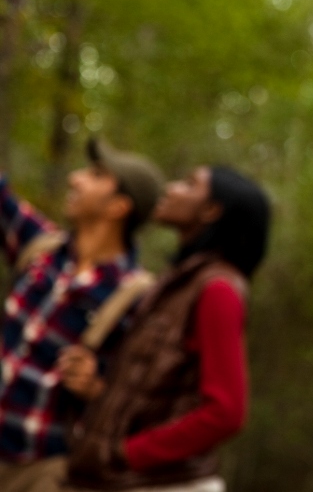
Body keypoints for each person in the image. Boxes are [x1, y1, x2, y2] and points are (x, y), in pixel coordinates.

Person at [57, 165, 270, 492]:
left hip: (166, 483)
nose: (171, 188)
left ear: (211, 211)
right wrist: (100, 392)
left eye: (189, 185)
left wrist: (128, 453)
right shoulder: (178, 282)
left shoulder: (219, 289)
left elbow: (227, 412)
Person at [0, 139, 163, 492]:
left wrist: (97, 388)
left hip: (44, 470)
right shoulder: (42, 249)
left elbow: (141, 402)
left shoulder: (137, 298)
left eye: (95, 175)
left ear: (119, 206)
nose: (76, 179)